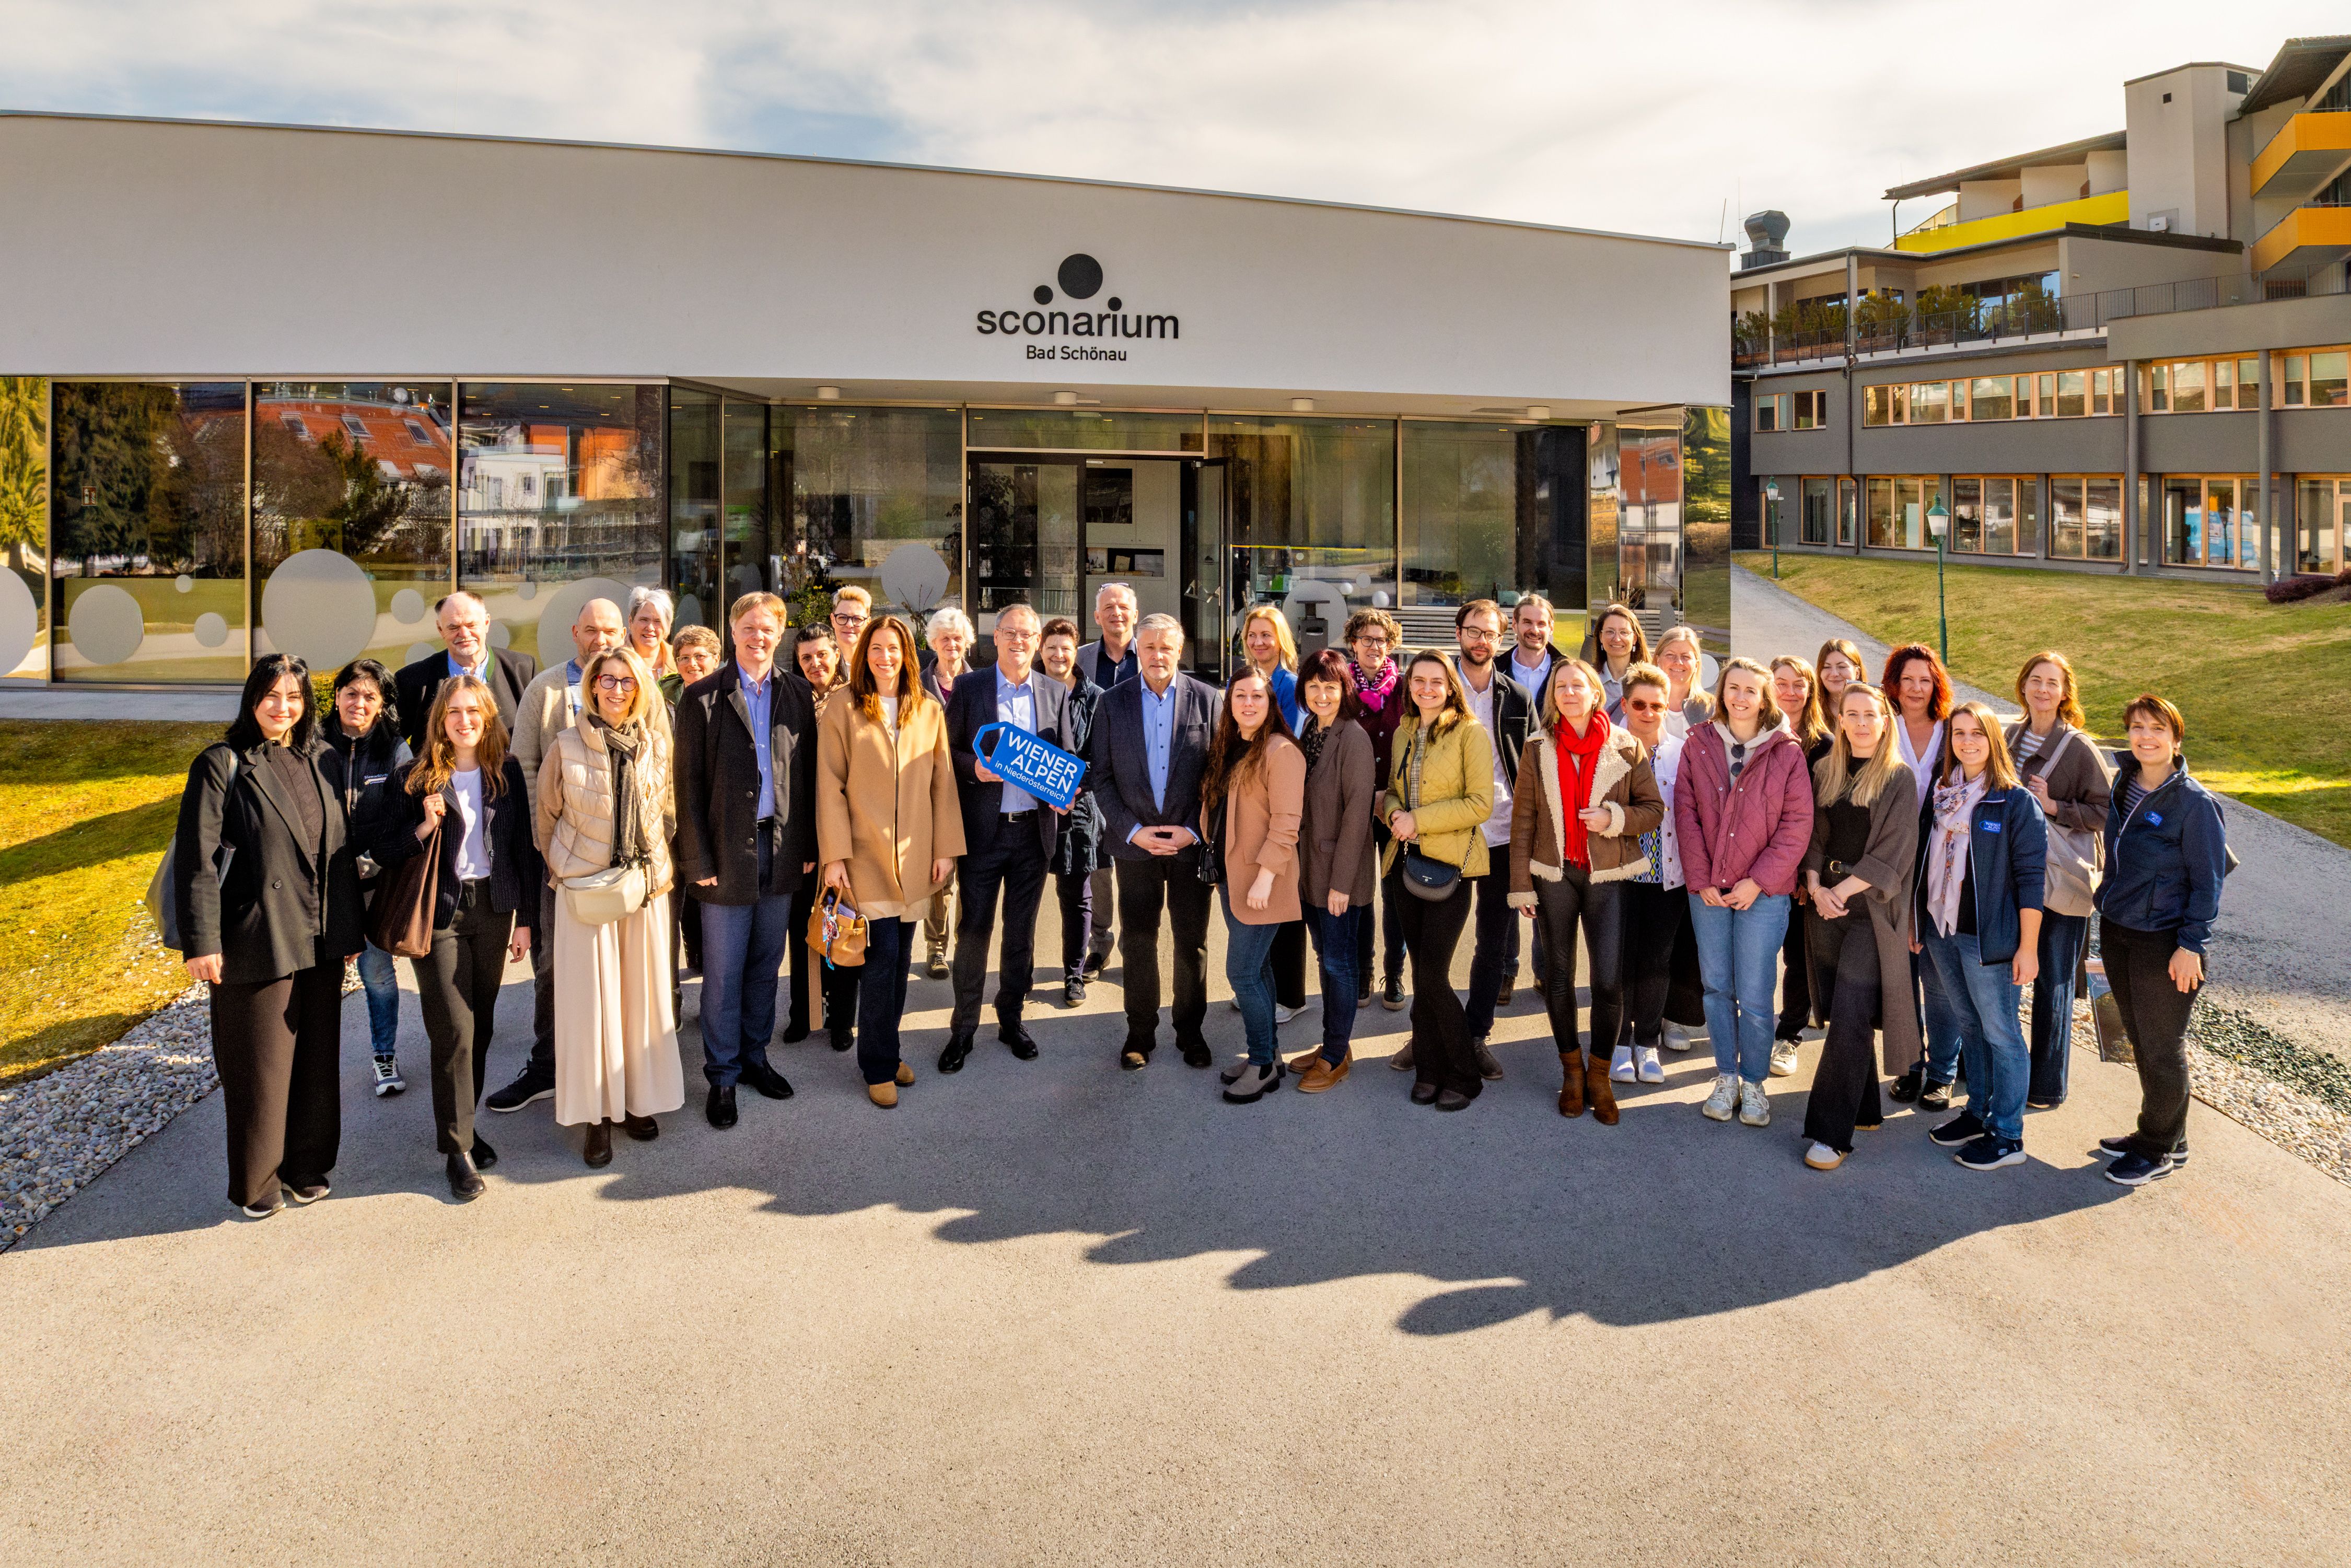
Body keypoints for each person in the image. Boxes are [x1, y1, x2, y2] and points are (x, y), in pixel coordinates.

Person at [173, 654, 364, 1218]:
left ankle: (306, 1167)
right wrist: (201, 941)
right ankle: (258, 1182)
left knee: (315, 1059)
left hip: (319, 935)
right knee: (260, 1067)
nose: (284, 707)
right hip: (254, 938)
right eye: (273, 695)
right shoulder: (221, 763)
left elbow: (340, 850)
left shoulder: (320, 757)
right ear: (252, 697)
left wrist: (347, 929)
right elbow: (197, 860)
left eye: (296, 697)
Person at [363, 676, 539, 1201]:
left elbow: (522, 851)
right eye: (454, 712)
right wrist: (421, 827)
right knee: (454, 1029)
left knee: (480, 1024)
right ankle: (457, 1150)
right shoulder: (414, 778)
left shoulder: (504, 773)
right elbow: (383, 849)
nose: (465, 721)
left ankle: (467, 1124)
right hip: (440, 916)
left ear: (487, 718)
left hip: (493, 907)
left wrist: (526, 917)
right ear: (440, 720)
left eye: (474, 712)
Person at [535, 646, 683, 1168]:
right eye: (608, 680)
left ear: (640, 688)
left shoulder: (655, 746)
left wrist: (648, 864)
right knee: (593, 1009)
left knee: (639, 1002)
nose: (617, 689)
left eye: (627, 681)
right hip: (586, 892)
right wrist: (566, 868)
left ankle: (634, 1102)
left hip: (643, 889)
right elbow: (546, 818)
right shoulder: (565, 745)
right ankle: (597, 1116)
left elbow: (666, 811)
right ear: (592, 685)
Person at [672, 591, 816, 1127]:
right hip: (725, 856)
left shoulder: (798, 694)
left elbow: (806, 780)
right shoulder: (703, 697)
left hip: (781, 853)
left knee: (764, 967)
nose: (759, 637)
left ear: (780, 634)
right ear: (733, 630)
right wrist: (698, 858)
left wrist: (807, 851)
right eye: (750, 627)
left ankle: (756, 1058)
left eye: (769, 629)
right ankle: (723, 1075)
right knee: (724, 974)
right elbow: (686, 788)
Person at [816, 615, 964, 1107]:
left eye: (894, 648)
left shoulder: (927, 710)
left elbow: (943, 784)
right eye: (876, 648)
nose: (885, 657)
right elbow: (829, 787)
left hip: (916, 856)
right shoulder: (843, 707)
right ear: (864, 655)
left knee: (901, 962)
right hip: (864, 856)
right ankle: (876, 1063)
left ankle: (889, 1046)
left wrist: (945, 848)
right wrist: (834, 855)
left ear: (907, 655)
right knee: (878, 965)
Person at [486, 596, 625, 1114]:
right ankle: (547, 1066)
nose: (601, 638)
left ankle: (616, 1073)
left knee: (618, 972)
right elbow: (521, 767)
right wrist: (542, 847)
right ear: (575, 632)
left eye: (610, 629)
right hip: (557, 862)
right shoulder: (545, 689)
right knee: (552, 967)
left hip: (620, 867)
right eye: (591, 629)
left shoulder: (638, 686)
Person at [1507, 656, 1661, 1123]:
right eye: (1561, 686)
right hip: (1555, 876)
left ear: (1597, 692)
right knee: (1558, 974)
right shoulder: (1537, 748)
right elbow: (1524, 821)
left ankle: (1600, 1073)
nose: (1569, 693)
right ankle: (1571, 1071)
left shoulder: (1627, 746)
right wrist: (1521, 886)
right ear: (1553, 696)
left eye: (1579, 685)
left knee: (1608, 980)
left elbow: (1653, 809)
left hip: (1606, 878)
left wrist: (1614, 819)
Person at [2093, 693, 2226, 1188]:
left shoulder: (2195, 803)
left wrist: (2191, 944)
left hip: (2165, 940)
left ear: (2176, 738)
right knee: (2139, 1037)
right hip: (2119, 927)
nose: (2145, 737)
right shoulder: (2124, 782)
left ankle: (2156, 1148)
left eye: (2156, 729)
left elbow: (2209, 881)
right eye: (2137, 728)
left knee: (2161, 1045)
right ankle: (2172, 1135)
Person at [1676, 656, 1813, 1129]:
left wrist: (1760, 880)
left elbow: (1797, 826)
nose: (1740, 697)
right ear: (1722, 692)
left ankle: (1754, 1083)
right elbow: (1686, 814)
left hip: (1765, 893)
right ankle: (1727, 1075)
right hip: (1709, 891)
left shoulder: (1787, 752)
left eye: (1750, 690)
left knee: (1755, 993)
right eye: (1733, 687)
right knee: (1717, 988)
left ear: (1764, 698)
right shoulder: (1699, 744)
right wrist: (1702, 879)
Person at [1912, 701, 2048, 1172]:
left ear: (1994, 740)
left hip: (1987, 940)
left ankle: (2009, 1135)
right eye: (1959, 733)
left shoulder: (2013, 801)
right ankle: (1977, 1113)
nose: (1967, 741)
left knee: (2002, 1033)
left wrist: (2027, 947)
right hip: (1942, 929)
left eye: (1977, 733)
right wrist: (1919, 925)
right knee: (1969, 1025)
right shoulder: (1942, 792)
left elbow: (2033, 879)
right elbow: (1923, 864)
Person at [1088, 613, 1222, 1070]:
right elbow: (1101, 777)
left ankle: (1191, 1031)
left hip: (1189, 845)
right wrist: (1132, 830)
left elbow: (1218, 776)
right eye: (1149, 647)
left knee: (1192, 942)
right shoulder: (1111, 703)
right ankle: (1139, 1033)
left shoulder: (1207, 700)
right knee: (1140, 940)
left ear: (1179, 650)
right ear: (1136, 651)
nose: (1158, 655)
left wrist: (1193, 828)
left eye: (1167, 647)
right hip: (1135, 846)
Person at [1797, 682, 1921, 1170]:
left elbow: (1893, 853)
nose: (1862, 722)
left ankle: (1831, 1134)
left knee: (1850, 1013)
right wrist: (1813, 882)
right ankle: (1866, 1107)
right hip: (1823, 905)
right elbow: (1810, 831)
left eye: (1871, 714)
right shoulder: (1824, 769)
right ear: (1840, 720)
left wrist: (1838, 893)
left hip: (1871, 912)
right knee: (1839, 1006)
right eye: (1853, 714)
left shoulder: (1898, 779)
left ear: (1885, 720)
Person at [942, 601, 1070, 1072]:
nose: (1020, 642)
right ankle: (963, 1029)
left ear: (1038, 642)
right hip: (983, 833)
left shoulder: (1054, 692)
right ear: (994, 638)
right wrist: (973, 768)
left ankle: (1011, 1017)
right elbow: (947, 753)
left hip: (1033, 837)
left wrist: (1066, 793)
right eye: (1011, 633)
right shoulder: (971, 687)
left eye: (1028, 635)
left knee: (1021, 934)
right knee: (973, 931)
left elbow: (1069, 757)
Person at [1380, 650, 1494, 1111]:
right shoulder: (1405, 730)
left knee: (1432, 975)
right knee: (1421, 971)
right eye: (1418, 680)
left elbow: (1480, 804)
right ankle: (1428, 1068)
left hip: (1451, 866)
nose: (1427, 688)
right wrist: (1393, 814)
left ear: (1451, 686)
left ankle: (1465, 1072)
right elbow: (1390, 790)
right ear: (1409, 686)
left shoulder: (1471, 733)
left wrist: (1418, 821)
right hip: (1405, 863)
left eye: (1436, 681)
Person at [2007, 651, 2111, 1109]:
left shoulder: (2080, 748)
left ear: (2065, 691)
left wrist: (2054, 807)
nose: (2043, 689)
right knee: (2001, 972)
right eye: (2035, 680)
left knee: (2053, 979)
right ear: (2023, 686)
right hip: (2011, 874)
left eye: (2052, 682)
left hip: (2061, 879)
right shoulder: (2008, 735)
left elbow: (2107, 813)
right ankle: (1996, 1068)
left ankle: (2047, 1085)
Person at [1205, 671, 1306, 1104]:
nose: (1248, 702)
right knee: (1259, 969)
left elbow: (1287, 823)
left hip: (1262, 881)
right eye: (1239, 695)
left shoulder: (1281, 751)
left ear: (1271, 703)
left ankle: (1262, 1065)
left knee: (1242, 972)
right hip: (1233, 876)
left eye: (1257, 697)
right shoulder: (1232, 745)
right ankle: (1272, 1056)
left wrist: (1265, 877)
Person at [1448, 598, 1537, 1080]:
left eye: (1490, 633)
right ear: (1459, 632)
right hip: (1447, 836)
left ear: (1501, 640)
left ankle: (1476, 1033)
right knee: (1435, 943)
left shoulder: (1519, 697)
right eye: (1473, 631)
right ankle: (1431, 1030)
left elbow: (1535, 769)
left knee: (1493, 944)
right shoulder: (1436, 688)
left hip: (1502, 837)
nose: (1482, 640)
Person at [1282, 649, 1376, 1091]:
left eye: (1331, 686)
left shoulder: (1353, 737)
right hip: (1309, 871)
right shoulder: (1310, 729)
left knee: (1339, 965)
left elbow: (1358, 814)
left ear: (1346, 690)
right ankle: (1333, 1044)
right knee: (1326, 958)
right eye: (1315, 686)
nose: (1322, 694)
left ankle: (1336, 1055)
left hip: (1338, 875)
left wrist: (1341, 884)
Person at [319, 658, 411, 1098]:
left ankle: (383, 1054)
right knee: (318, 977)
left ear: (382, 704)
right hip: (319, 888)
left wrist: (370, 862)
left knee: (376, 973)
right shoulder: (311, 744)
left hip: (374, 883)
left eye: (369, 695)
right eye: (351, 693)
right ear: (336, 697)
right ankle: (310, 1061)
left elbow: (404, 817)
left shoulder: (395, 750)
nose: (359, 702)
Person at [1611, 663, 1701, 1080]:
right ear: (1625, 704)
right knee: (1618, 960)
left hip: (1667, 876)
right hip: (1618, 874)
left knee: (1655, 961)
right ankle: (1615, 1044)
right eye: (1640, 704)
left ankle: (1646, 1044)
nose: (1649, 713)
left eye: (1658, 706)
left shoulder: (1684, 753)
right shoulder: (1607, 750)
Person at [1880, 642, 1956, 1108]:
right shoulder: (1883, 728)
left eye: (1924, 680)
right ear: (1894, 682)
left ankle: (1944, 1070)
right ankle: (1910, 1064)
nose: (1915, 688)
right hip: (1892, 862)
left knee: (1939, 973)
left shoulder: (1954, 731)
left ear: (1936, 685)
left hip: (1943, 865)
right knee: (1900, 975)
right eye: (1907, 679)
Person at [783, 620, 858, 1046]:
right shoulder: (790, 696)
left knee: (841, 923)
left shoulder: (854, 697)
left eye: (822, 655)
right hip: (800, 834)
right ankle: (803, 1012)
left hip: (845, 831)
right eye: (806, 657)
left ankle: (842, 1018)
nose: (815, 663)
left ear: (836, 654)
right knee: (802, 927)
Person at [1237, 604, 1310, 1025]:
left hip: (1279, 801)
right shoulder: (1250, 681)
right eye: (1253, 635)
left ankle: (1291, 995)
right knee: (1258, 904)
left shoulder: (1291, 686)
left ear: (1281, 639)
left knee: (1283, 901)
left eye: (1267, 634)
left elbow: (1291, 745)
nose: (1259, 641)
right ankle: (1261, 985)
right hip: (1251, 803)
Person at [1768, 654, 1832, 1076]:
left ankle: (1788, 1035)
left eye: (1799, 684)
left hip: (1800, 873)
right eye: (1782, 682)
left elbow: (1820, 815)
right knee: (1751, 957)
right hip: (1753, 868)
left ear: (1811, 691)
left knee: (1798, 957)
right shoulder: (1754, 733)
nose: (1790, 691)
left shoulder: (1824, 746)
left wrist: (1803, 871)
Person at [1342, 609, 1408, 1011]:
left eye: (1381, 639)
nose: (1374, 646)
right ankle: (1362, 971)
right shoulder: (1341, 685)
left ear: (1391, 644)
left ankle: (1394, 972)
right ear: (1353, 643)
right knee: (1360, 893)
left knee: (1396, 894)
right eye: (1366, 639)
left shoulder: (1405, 688)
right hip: (1354, 804)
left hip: (1396, 806)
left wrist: (1390, 796)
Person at [1039, 617, 1105, 1007]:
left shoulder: (1095, 697)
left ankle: (1073, 973)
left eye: (1066, 647)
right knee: (1025, 898)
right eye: (1051, 646)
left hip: (1077, 808)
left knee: (1076, 897)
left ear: (1076, 650)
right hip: (1033, 809)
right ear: (1040, 649)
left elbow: (1101, 757)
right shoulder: (1026, 688)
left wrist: (1069, 788)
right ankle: (1020, 971)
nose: (1058, 654)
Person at [1076, 582, 1139, 979]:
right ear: (1096, 617)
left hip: (1141, 778)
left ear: (1135, 613)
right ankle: (1100, 944)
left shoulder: (1149, 652)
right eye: (1108, 608)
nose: (1116, 613)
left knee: (1136, 865)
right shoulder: (1079, 659)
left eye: (1123, 606)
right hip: (1093, 776)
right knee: (1097, 864)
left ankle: (1138, 945)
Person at [392, 590, 539, 752]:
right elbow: (391, 745)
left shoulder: (523, 670)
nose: (464, 634)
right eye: (453, 627)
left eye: (471, 625)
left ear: (487, 623)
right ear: (440, 630)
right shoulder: (412, 680)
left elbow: (537, 737)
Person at [918, 606, 975, 975]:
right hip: (930, 793)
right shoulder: (917, 683)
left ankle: (968, 945)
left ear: (966, 642)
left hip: (974, 790)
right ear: (933, 643)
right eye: (944, 639)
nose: (951, 645)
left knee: (973, 876)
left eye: (957, 639)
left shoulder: (983, 682)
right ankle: (937, 947)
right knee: (939, 875)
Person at [667, 624, 723, 985]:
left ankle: (708, 963)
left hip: (712, 815)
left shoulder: (725, 697)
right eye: (684, 657)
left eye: (700, 656)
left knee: (709, 899)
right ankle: (694, 958)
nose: (692, 663)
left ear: (716, 659)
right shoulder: (663, 697)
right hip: (672, 816)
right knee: (682, 902)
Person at [1579, 602, 1649, 711]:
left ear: (1635, 639)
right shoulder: (1588, 679)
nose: (1617, 639)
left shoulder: (1649, 680)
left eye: (1624, 632)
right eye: (1610, 632)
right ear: (1601, 637)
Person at [1652, 625, 1714, 737]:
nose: (1678, 662)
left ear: (1697, 665)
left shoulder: (1712, 709)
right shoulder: (1640, 704)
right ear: (1658, 660)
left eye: (1686, 657)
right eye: (1670, 655)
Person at [1502, 595, 1559, 706]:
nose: (1535, 630)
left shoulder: (1566, 672)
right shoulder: (1495, 671)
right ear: (1514, 624)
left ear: (1551, 628)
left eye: (1541, 624)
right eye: (1528, 622)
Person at [627, 586, 680, 706]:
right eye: (644, 620)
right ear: (631, 621)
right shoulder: (615, 661)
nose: (650, 628)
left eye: (658, 621)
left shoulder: (681, 659)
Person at [1814, 638, 1866, 716]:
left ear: (1857, 672)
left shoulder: (1874, 707)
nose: (1834, 674)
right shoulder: (1810, 709)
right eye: (1827, 667)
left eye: (1842, 667)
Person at [673, 625, 722, 689]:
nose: (692, 664)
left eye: (700, 656)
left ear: (716, 661)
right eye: (685, 658)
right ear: (677, 664)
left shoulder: (728, 696)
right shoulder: (664, 694)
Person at [829, 584, 872, 654]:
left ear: (868, 622)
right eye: (842, 617)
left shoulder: (877, 662)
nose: (849, 625)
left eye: (857, 619)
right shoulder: (819, 662)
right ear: (833, 619)